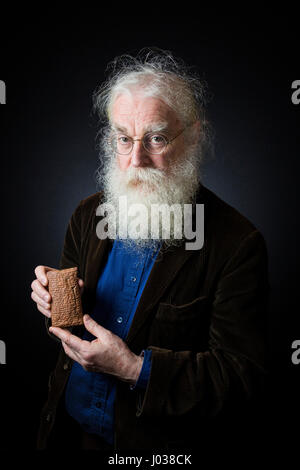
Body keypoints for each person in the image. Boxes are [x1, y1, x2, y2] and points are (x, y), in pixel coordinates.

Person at [31, 49, 269, 451]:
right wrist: (52, 302)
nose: (136, 159)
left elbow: (241, 376)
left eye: (156, 138)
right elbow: (68, 325)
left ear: (193, 135)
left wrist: (133, 369)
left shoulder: (238, 244)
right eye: (124, 139)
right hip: (66, 434)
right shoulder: (88, 214)